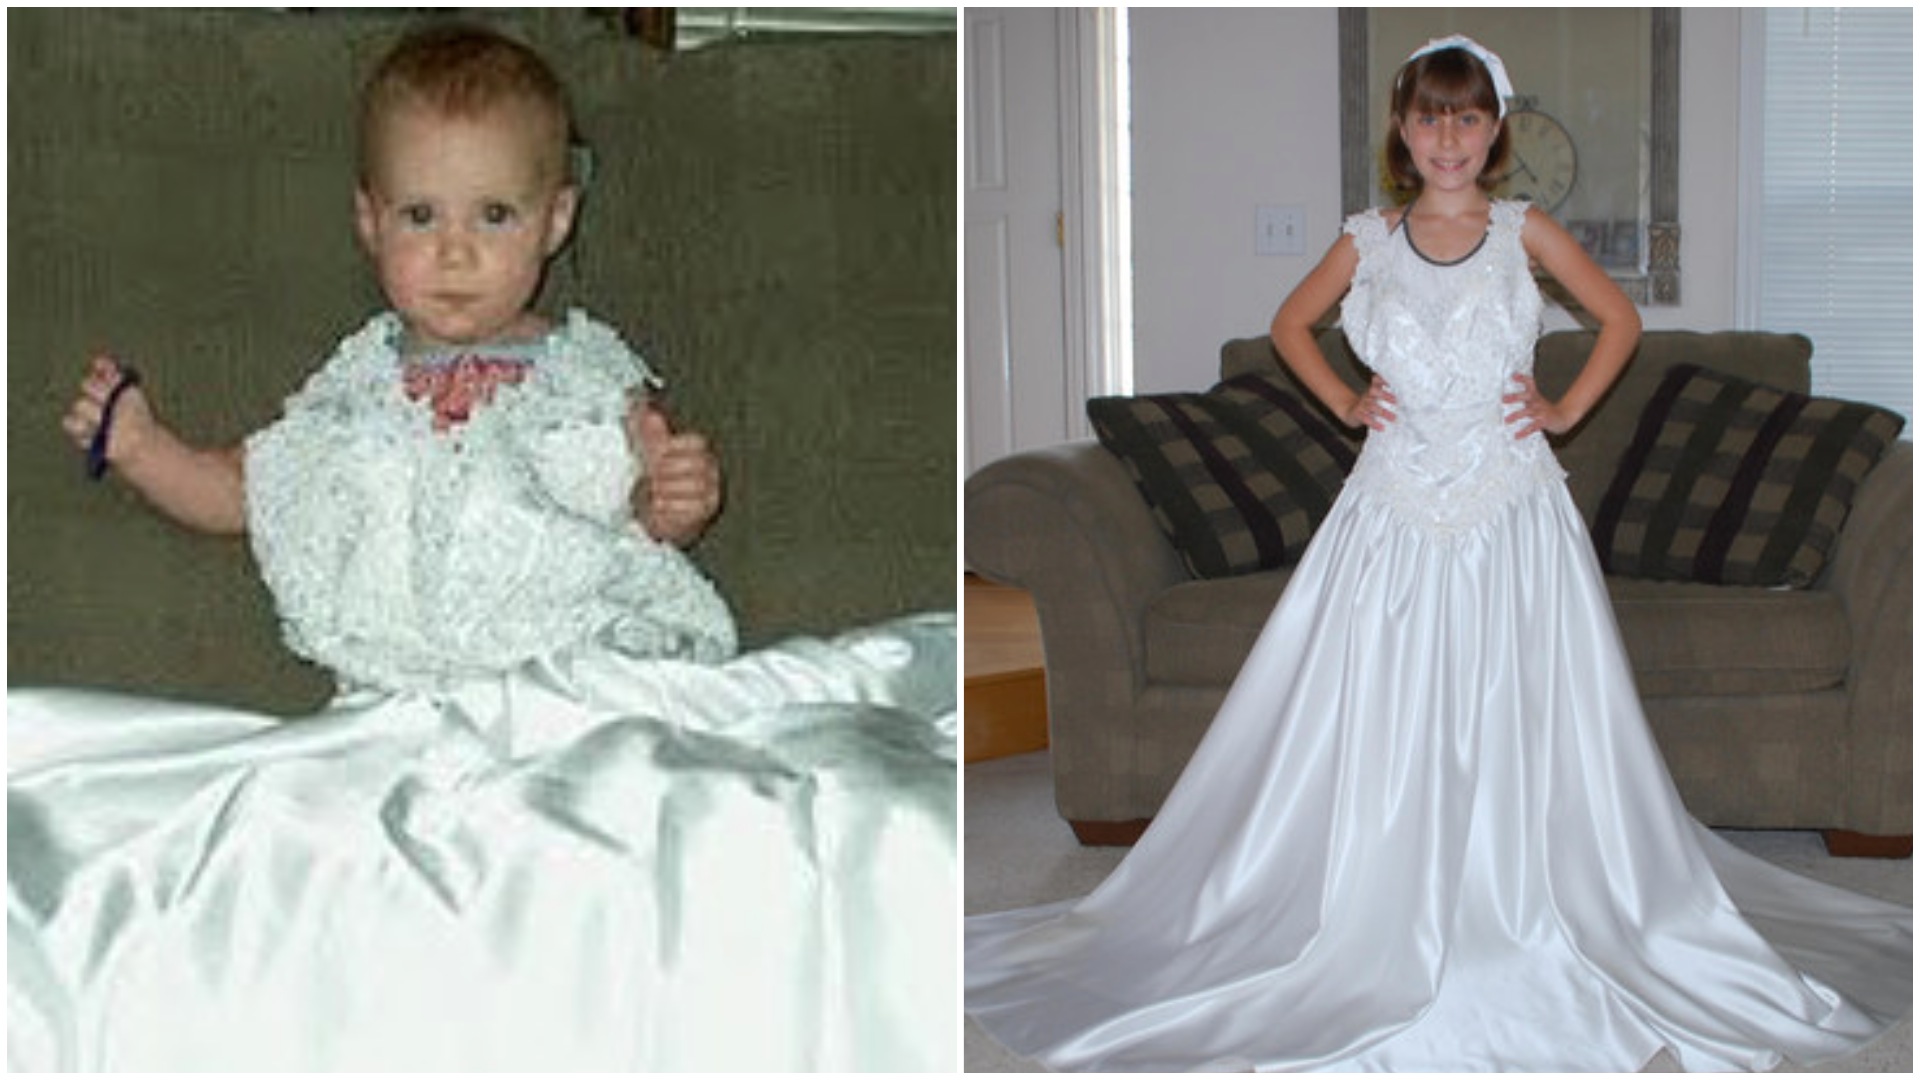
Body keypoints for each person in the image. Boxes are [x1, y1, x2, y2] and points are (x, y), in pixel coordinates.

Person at [11, 21, 955, 1071]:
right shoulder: (350, 392)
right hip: (398, 721)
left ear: (555, 219)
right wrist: (144, 448)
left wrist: (674, 499)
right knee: (242, 864)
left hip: (580, 696)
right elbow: (246, 487)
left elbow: (646, 509)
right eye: (421, 215)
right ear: (369, 223)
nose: (455, 251)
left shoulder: (591, 373)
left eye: (493, 215)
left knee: (716, 825)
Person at [964, 35, 1910, 1072]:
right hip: (1395, 502)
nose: (1446, 137)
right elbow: (1288, 325)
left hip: (1512, 509)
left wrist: (1561, 410)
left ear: (1493, 130)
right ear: (1401, 131)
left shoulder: (1522, 229)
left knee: (1527, 705)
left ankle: (1531, 902)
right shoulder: (1366, 238)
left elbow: (1617, 318)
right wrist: (1339, 400)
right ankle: (1369, 903)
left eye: (1466, 118)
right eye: (1427, 117)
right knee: (1374, 701)